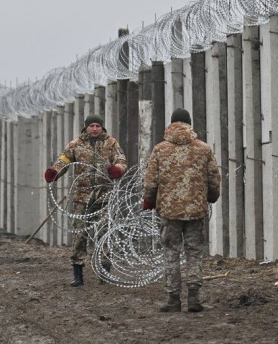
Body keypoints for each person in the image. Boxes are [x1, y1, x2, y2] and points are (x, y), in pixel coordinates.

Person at [142, 108, 220, 313]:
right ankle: (194, 297)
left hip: (169, 211)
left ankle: (173, 298)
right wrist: (212, 196)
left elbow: (151, 181)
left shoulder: (160, 149)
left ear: (171, 124)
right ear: (189, 124)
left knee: (171, 252)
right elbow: (214, 177)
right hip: (196, 210)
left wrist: (149, 200)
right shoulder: (203, 148)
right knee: (194, 252)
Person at [44, 114, 127, 287]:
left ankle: (105, 272)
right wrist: (55, 172)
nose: (94, 129)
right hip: (82, 197)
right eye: (91, 126)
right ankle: (78, 273)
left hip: (104, 196)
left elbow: (121, 160)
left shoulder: (111, 143)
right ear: (86, 127)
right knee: (79, 235)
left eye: (97, 126)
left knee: (104, 234)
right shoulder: (75, 145)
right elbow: (64, 161)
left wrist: (117, 169)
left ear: (102, 127)